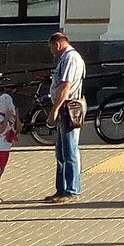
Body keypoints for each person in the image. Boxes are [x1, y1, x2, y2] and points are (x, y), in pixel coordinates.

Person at [46, 30, 86, 203]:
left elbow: (65, 87)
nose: (52, 52)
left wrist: (54, 109)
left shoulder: (70, 58)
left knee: (70, 150)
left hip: (69, 107)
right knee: (61, 152)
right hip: (65, 107)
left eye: (51, 48)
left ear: (57, 44)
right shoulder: (65, 58)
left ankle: (72, 190)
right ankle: (61, 189)